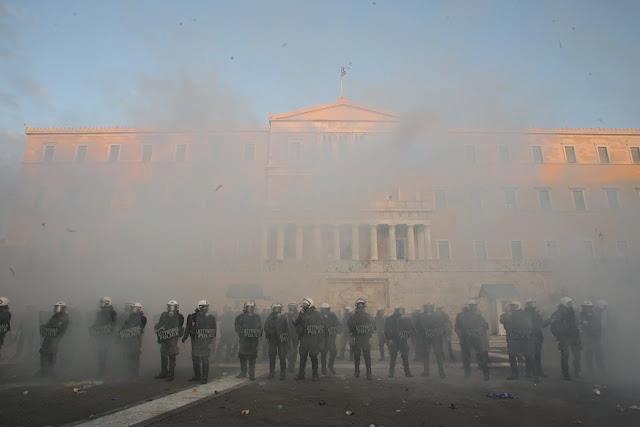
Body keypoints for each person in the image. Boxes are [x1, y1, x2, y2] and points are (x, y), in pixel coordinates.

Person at [455, 299, 490, 381]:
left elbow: (485, 326)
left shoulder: (479, 315)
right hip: (466, 338)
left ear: (476, 306)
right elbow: (457, 327)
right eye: (470, 305)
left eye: (473, 305)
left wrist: (478, 331)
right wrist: (461, 334)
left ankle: (486, 374)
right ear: (467, 306)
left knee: (482, 356)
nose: (472, 307)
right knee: (466, 357)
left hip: (478, 338)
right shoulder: (460, 316)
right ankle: (467, 374)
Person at [500, 301, 536, 381]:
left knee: (526, 356)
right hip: (514, 338)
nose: (513, 307)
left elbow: (529, 324)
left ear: (518, 306)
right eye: (511, 305)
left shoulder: (523, 314)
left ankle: (526, 374)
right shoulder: (507, 315)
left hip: (521, 337)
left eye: (514, 306)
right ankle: (519, 374)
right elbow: (503, 321)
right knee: (514, 356)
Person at [183, 300, 217, 384]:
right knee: (195, 358)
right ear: (199, 307)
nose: (206, 308)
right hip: (195, 340)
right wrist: (185, 337)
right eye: (204, 306)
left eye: (206, 306)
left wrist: (211, 340)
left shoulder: (211, 317)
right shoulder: (192, 316)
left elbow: (213, 329)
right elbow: (188, 327)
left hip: (205, 340)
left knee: (205, 358)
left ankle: (204, 377)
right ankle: (197, 376)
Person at [550, 297, 581, 380]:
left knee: (577, 355)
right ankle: (566, 374)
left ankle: (577, 372)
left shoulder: (574, 312)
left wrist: (579, 330)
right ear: (564, 303)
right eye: (569, 303)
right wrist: (559, 336)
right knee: (565, 356)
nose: (571, 304)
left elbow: (578, 322)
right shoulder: (558, 313)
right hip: (565, 337)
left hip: (575, 336)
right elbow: (553, 326)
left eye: (571, 303)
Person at [294, 298, 324, 381]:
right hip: (304, 338)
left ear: (310, 304)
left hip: (313, 338)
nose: (303, 305)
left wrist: (320, 341)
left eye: (305, 304)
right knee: (303, 357)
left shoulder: (317, 314)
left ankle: (315, 375)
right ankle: (301, 374)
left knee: (313, 357)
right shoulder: (302, 313)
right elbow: (296, 323)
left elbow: (321, 327)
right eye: (303, 304)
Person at [154, 300, 184, 381]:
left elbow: (179, 326)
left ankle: (171, 375)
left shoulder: (180, 316)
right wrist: (157, 328)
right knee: (163, 355)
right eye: (169, 306)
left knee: (171, 356)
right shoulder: (164, 314)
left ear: (176, 307)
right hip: (164, 337)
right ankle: (164, 373)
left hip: (173, 338)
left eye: (172, 306)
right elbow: (160, 324)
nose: (170, 308)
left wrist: (174, 316)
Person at [39, 301, 69, 376]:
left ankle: (50, 371)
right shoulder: (54, 316)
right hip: (49, 337)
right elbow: (49, 324)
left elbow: (59, 328)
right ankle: (43, 370)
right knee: (43, 351)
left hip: (56, 338)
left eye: (59, 308)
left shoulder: (64, 317)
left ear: (63, 309)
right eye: (56, 307)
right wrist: (44, 327)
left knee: (51, 353)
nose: (57, 309)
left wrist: (50, 329)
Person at [348, 298, 375, 380]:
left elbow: (373, 326)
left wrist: (369, 334)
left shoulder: (368, 316)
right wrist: (353, 334)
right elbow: (350, 326)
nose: (360, 308)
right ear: (357, 307)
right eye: (359, 307)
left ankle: (369, 372)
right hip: (357, 339)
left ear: (364, 307)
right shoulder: (353, 317)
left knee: (367, 356)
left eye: (362, 307)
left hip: (365, 339)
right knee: (357, 356)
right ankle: (357, 371)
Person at [235, 300, 262, 380]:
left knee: (252, 357)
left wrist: (257, 333)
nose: (250, 308)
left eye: (252, 307)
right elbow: (237, 327)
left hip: (253, 340)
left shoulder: (257, 317)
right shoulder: (240, 317)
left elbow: (259, 327)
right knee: (242, 356)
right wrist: (242, 333)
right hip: (244, 340)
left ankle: (251, 373)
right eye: (249, 307)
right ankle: (243, 372)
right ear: (246, 308)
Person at [90, 296, 117, 377]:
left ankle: (103, 372)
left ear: (107, 302)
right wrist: (93, 327)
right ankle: (101, 371)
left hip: (107, 336)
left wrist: (105, 329)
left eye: (103, 302)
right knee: (101, 354)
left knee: (105, 354)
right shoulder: (101, 312)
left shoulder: (112, 312)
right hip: (101, 336)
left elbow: (113, 324)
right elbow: (97, 323)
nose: (101, 303)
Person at [118, 302, 147, 378]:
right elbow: (125, 326)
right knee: (128, 356)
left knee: (135, 356)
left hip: (136, 339)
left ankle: (135, 374)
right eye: (132, 308)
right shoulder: (130, 316)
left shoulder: (142, 317)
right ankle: (129, 373)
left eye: (134, 308)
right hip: (129, 339)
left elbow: (139, 329)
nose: (132, 310)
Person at [418, 303, 446, 378]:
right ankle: (426, 371)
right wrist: (422, 332)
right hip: (426, 337)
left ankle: (441, 372)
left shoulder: (437, 315)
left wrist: (438, 332)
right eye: (426, 307)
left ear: (432, 308)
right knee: (426, 354)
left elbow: (441, 324)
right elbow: (418, 326)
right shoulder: (421, 316)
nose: (428, 308)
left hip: (435, 336)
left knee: (438, 354)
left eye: (429, 307)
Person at [385, 306, 413, 378]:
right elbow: (387, 330)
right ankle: (393, 373)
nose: (397, 312)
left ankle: (406, 372)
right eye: (397, 310)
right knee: (396, 357)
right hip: (396, 339)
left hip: (401, 339)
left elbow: (409, 329)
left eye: (398, 310)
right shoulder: (391, 319)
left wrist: (407, 337)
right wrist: (390, 338)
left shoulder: (404, 319)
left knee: (403, 357)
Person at [524, 299, 549, 378]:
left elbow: (541, 324)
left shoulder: (535, 314)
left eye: (533, 303)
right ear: (528, 304)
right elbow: (540, 324)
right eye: (531, 303)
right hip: (530, 337)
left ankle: (537, 372)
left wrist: (549, 321)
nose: (532, 305)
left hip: (537, 337)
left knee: (537, 356)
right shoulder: (526, 314)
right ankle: (530, 373)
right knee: (530, 356)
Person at [580, 300, 605, 376]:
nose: (587, 309)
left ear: (591, 308)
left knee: (598, 353)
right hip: (588, 337)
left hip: (596, 337)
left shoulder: (594, 314)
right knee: (589, 354)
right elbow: (584, 325)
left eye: (589, 307)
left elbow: (597, 325)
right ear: (583, 308)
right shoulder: (582, 315)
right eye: (586, 307)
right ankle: (591, 371)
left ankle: (602, 371)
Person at [264, 303, 288, 380]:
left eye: (278, 308)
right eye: (276, 308)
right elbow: (266, 327)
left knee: (282, 356)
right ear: (273, 309)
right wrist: (270, 333)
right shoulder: (269, 318)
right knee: (272, 356)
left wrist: (284, 337)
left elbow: (287, 329)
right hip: (272, 339)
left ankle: (283, 374)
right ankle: (271, 373)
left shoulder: (284, 317)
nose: (277, 309)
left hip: (281, 340)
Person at [319, 302, 340, 376]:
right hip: (322, 338)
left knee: (333, 352)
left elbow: (338, 325)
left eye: (326, 309)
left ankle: (330, 366)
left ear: (328, 309)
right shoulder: (319, 316)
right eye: (323, 309)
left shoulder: (333, 315)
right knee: (323, 354)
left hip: (331, 338)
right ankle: (323, 369)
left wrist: (333, 329)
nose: (325, 311)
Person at [285, 303, 300, 373]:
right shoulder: (286, 315)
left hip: (295, 336)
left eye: (293, 307)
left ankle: (292, 364)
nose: (291, 308)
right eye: (290, 307)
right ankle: (290, 364)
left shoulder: (298, 315)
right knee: (289, 351)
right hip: (288, 335)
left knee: (294, 351)